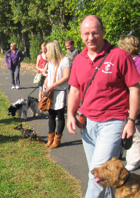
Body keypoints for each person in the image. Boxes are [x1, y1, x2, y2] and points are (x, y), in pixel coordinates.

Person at [66, 15, 140, 197]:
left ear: (103, 32)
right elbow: (74, 91)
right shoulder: (79, 59)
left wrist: (131, 121)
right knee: (99, 174)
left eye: (94, 33)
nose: (90, 38)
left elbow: (134, 89)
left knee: (96, 179)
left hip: (113, 122)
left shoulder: (120, 56)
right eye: (86, 34)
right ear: (81, 35)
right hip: (87, 123)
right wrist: (69, 114)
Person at [43, 40, 71, 148]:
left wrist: (53, 85)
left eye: (47, 50)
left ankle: (57, 139)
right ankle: (50, 138)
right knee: (51, 115)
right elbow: (49, 75)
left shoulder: (65, 61)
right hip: (51, 91)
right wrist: (46, 84)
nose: (46, 52)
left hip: (60, 92)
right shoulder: (51, 61)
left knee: (60, 116)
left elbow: (66, 77)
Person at [118, 35, 140, 171]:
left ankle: (133, 160)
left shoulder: (137, 62)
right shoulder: (127, 61)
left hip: (136, 100)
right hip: (125, 99)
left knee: (135, 129)